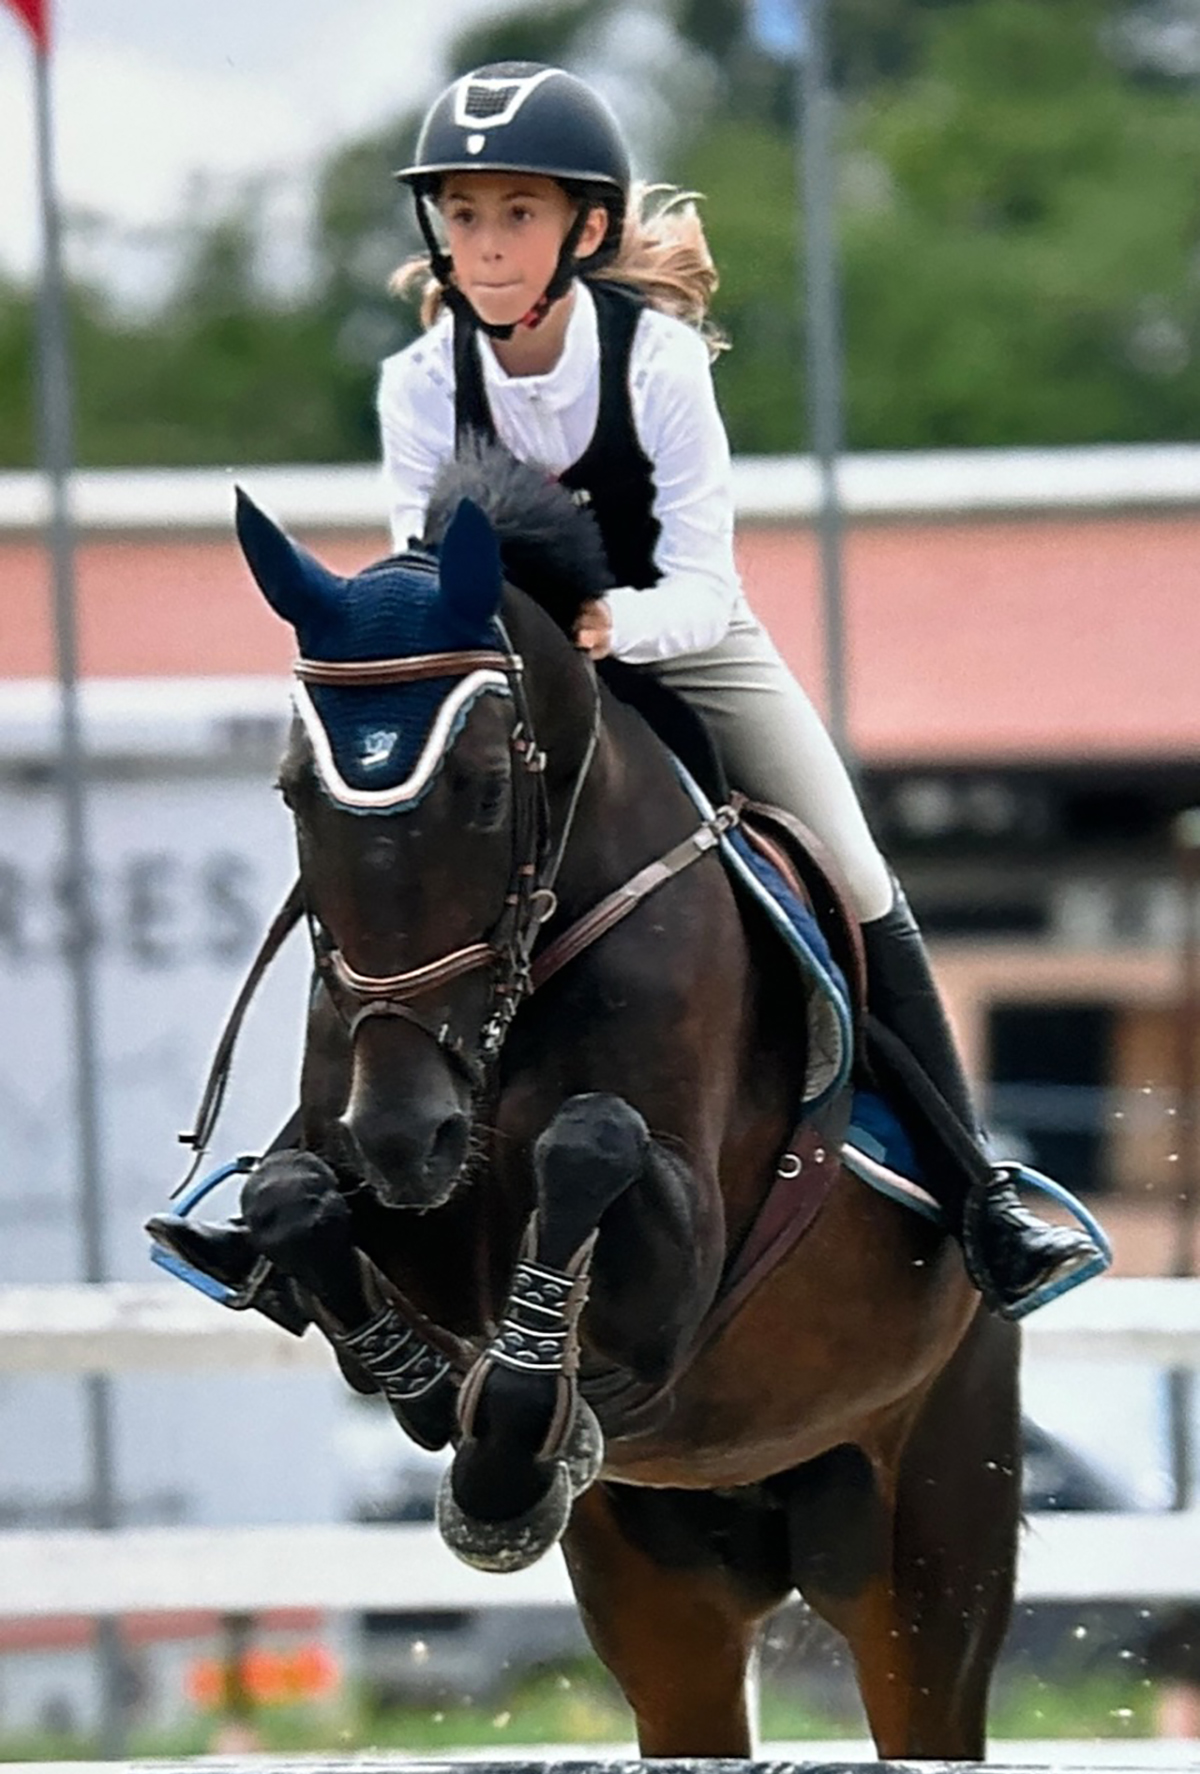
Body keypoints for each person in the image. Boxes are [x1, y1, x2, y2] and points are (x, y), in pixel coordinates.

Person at [153, 61, 1095, 1323]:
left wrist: (611, 625)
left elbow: (705, 578)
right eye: (466, 216)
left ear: (586, 229)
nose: (484, 245)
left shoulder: (652, 360)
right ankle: (281, 1175)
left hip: (684, 644)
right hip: (517, 678)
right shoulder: (418, 381)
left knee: (859, 875)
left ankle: (979, 1193)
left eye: (517, 214)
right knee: (398, 857)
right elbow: (438, 575)